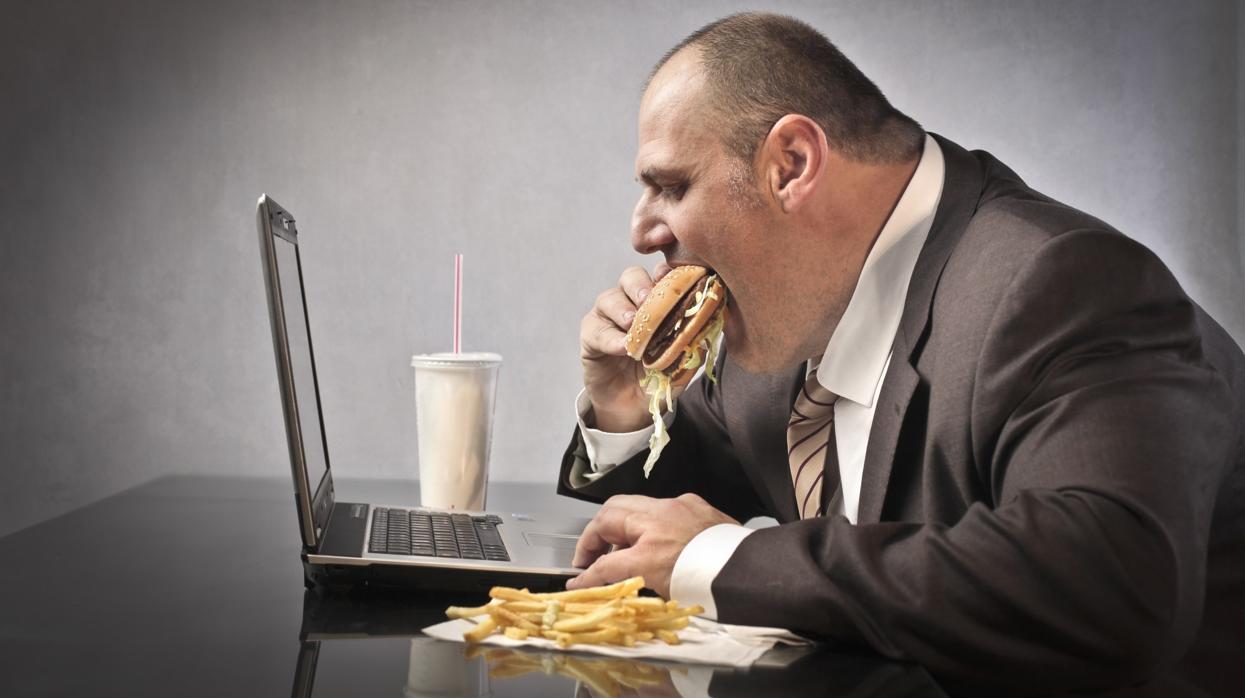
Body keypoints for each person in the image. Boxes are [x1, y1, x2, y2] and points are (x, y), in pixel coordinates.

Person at [555, 11, 1245, 696]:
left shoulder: (1061, 284)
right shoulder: (784, 303)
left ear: (790, 165)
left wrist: (723, 558)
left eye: (671, 187)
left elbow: (1107, 589)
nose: (641, 232)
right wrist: (623, 405)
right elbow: (663, 528)